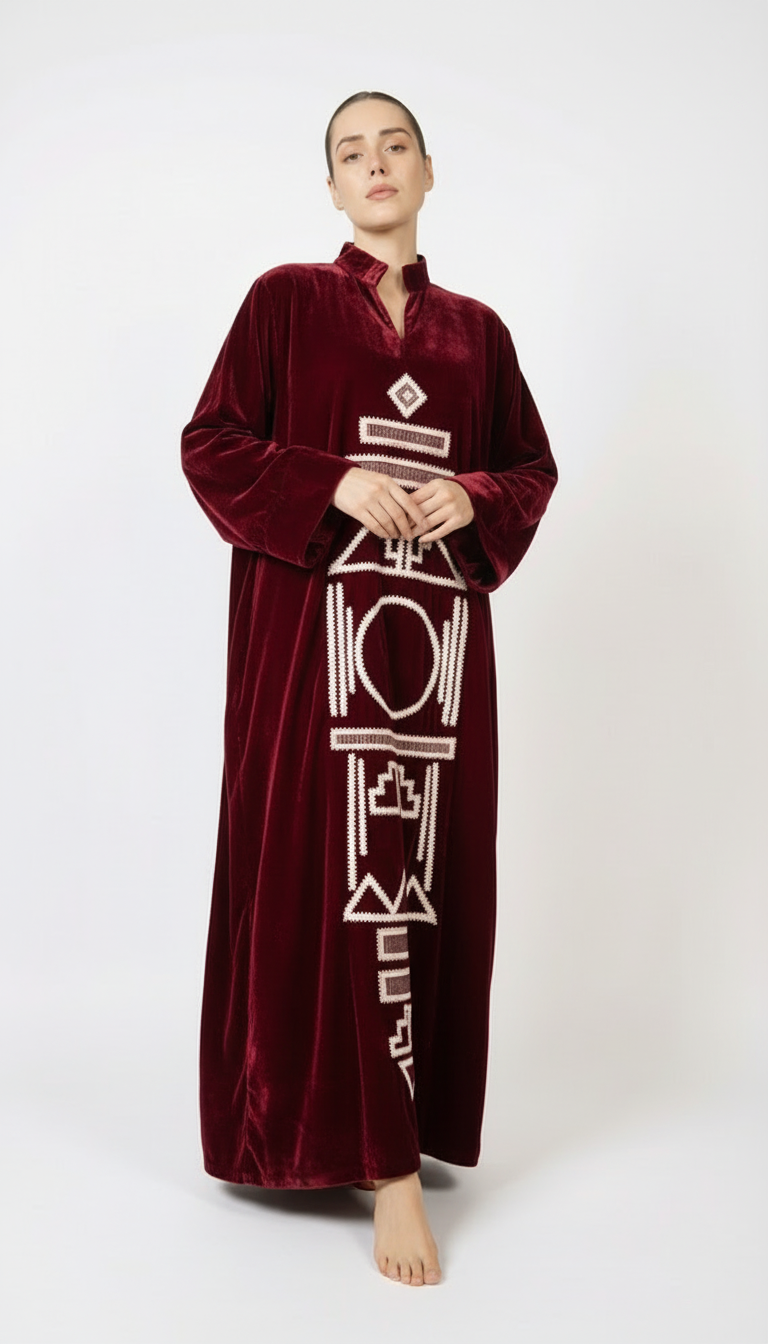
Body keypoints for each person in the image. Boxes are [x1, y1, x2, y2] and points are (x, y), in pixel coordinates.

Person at [180, 89, 557, 1287]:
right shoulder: (284, 303)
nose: (375, 163)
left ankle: (399, 1129)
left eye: (395, 146)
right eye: (352, 152)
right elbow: (210, 445)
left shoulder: (478, 336)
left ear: (429, 172)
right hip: (311, 653)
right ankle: (373, 1163)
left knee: (421, 871)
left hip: (429, 663)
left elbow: (529, 467)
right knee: (328, 871)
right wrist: (331, 482)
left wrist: (475, 497)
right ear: (333, 186)